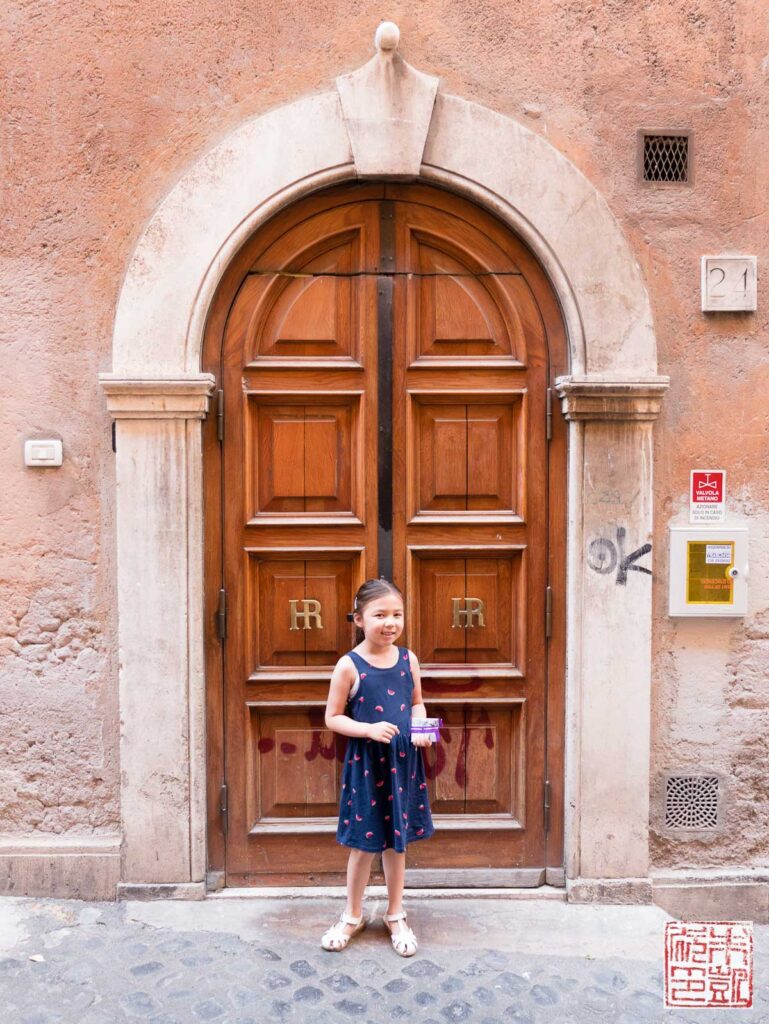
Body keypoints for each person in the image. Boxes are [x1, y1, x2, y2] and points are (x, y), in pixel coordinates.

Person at [320, 578, 435, 956]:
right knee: (363, 845)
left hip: (403, 764)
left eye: (397, 614)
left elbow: (417, 702)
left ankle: (395, 913)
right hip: (367, 767)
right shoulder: (348, 665)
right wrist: (367, 729)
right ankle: (352, 915)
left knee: (397, 844)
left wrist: (421, 728)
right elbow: (333, 718)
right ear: (358, 619)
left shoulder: (408, 659)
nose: (390, 622)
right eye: (380, 614)